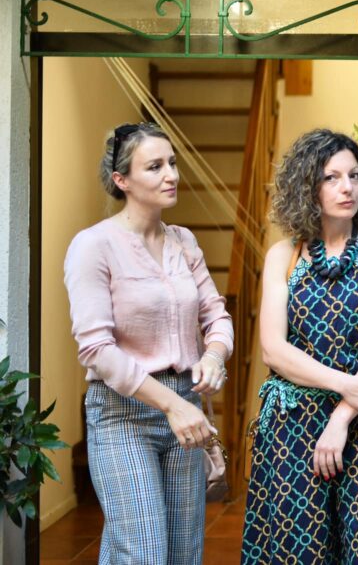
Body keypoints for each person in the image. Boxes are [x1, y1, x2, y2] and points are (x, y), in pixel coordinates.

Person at [64, 122, 233, 565]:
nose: (171, 175)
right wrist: (172, 406)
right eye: (155, 167)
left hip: (186, 409)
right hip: (123, 413)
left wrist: (214, 355)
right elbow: (96, 349)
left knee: (182, 554)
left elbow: (216, 315)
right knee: (143, 553)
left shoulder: (184, 241)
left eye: (172, 163)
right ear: (121, 180)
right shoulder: (93, 246)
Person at [241, 129, 358, 564]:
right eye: (331, 177)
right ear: (307, 186)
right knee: (301, 551)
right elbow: (273, 350)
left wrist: (343, 414)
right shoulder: (283, 255)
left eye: (354, 176)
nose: (346, 187)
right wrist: (344, 384)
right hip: (293, 421)